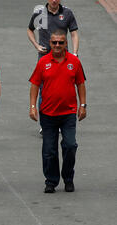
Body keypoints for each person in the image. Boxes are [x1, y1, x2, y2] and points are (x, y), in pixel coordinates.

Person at [29, 30, 86, 193]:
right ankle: (51, 181)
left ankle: (68, 178)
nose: (57, 45)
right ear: (50, 44)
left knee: (70, 145)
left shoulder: (74, 62)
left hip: (68, 114)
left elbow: (81, 84)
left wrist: (83, 105)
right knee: (49, 150)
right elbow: (34, 85)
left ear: (66, 43)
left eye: (61, 42)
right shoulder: (43, 62)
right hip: (47, 114)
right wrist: (33, 107)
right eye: (54, 42)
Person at [27, 0, 79, 135]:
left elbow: (74, 33)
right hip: (45, 58)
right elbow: (30, 30)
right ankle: (45, 124)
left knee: (63, 87)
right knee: (43, 89)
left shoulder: (67, 13)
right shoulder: (39, 12)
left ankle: (62, 120)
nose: (54, 1)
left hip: (63, 58)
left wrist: (74, 53)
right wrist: (36, 45)